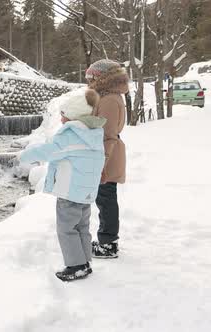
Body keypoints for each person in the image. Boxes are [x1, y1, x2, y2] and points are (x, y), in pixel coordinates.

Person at [20, 88, 106, 281]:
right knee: (82, 228)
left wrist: (23, 156)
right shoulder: (93, 135)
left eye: (63, 115)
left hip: (69, 193)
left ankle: (75, 266)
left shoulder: (70, 135)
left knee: (67, 229)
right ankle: (84, 262)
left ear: (74, 116)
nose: (61, 120)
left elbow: (48, 151)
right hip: (86, 193)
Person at [85, 59, 129, 259]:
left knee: (106, 199)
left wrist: (101, 163)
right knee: (105, 198)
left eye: (91, 77)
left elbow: (107, 134)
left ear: (102, 78)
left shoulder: (110, 99)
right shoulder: (108, 96)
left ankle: (108, 244)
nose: (88, 81)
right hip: (106, 153)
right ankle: (107, 240)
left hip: (107, 155)